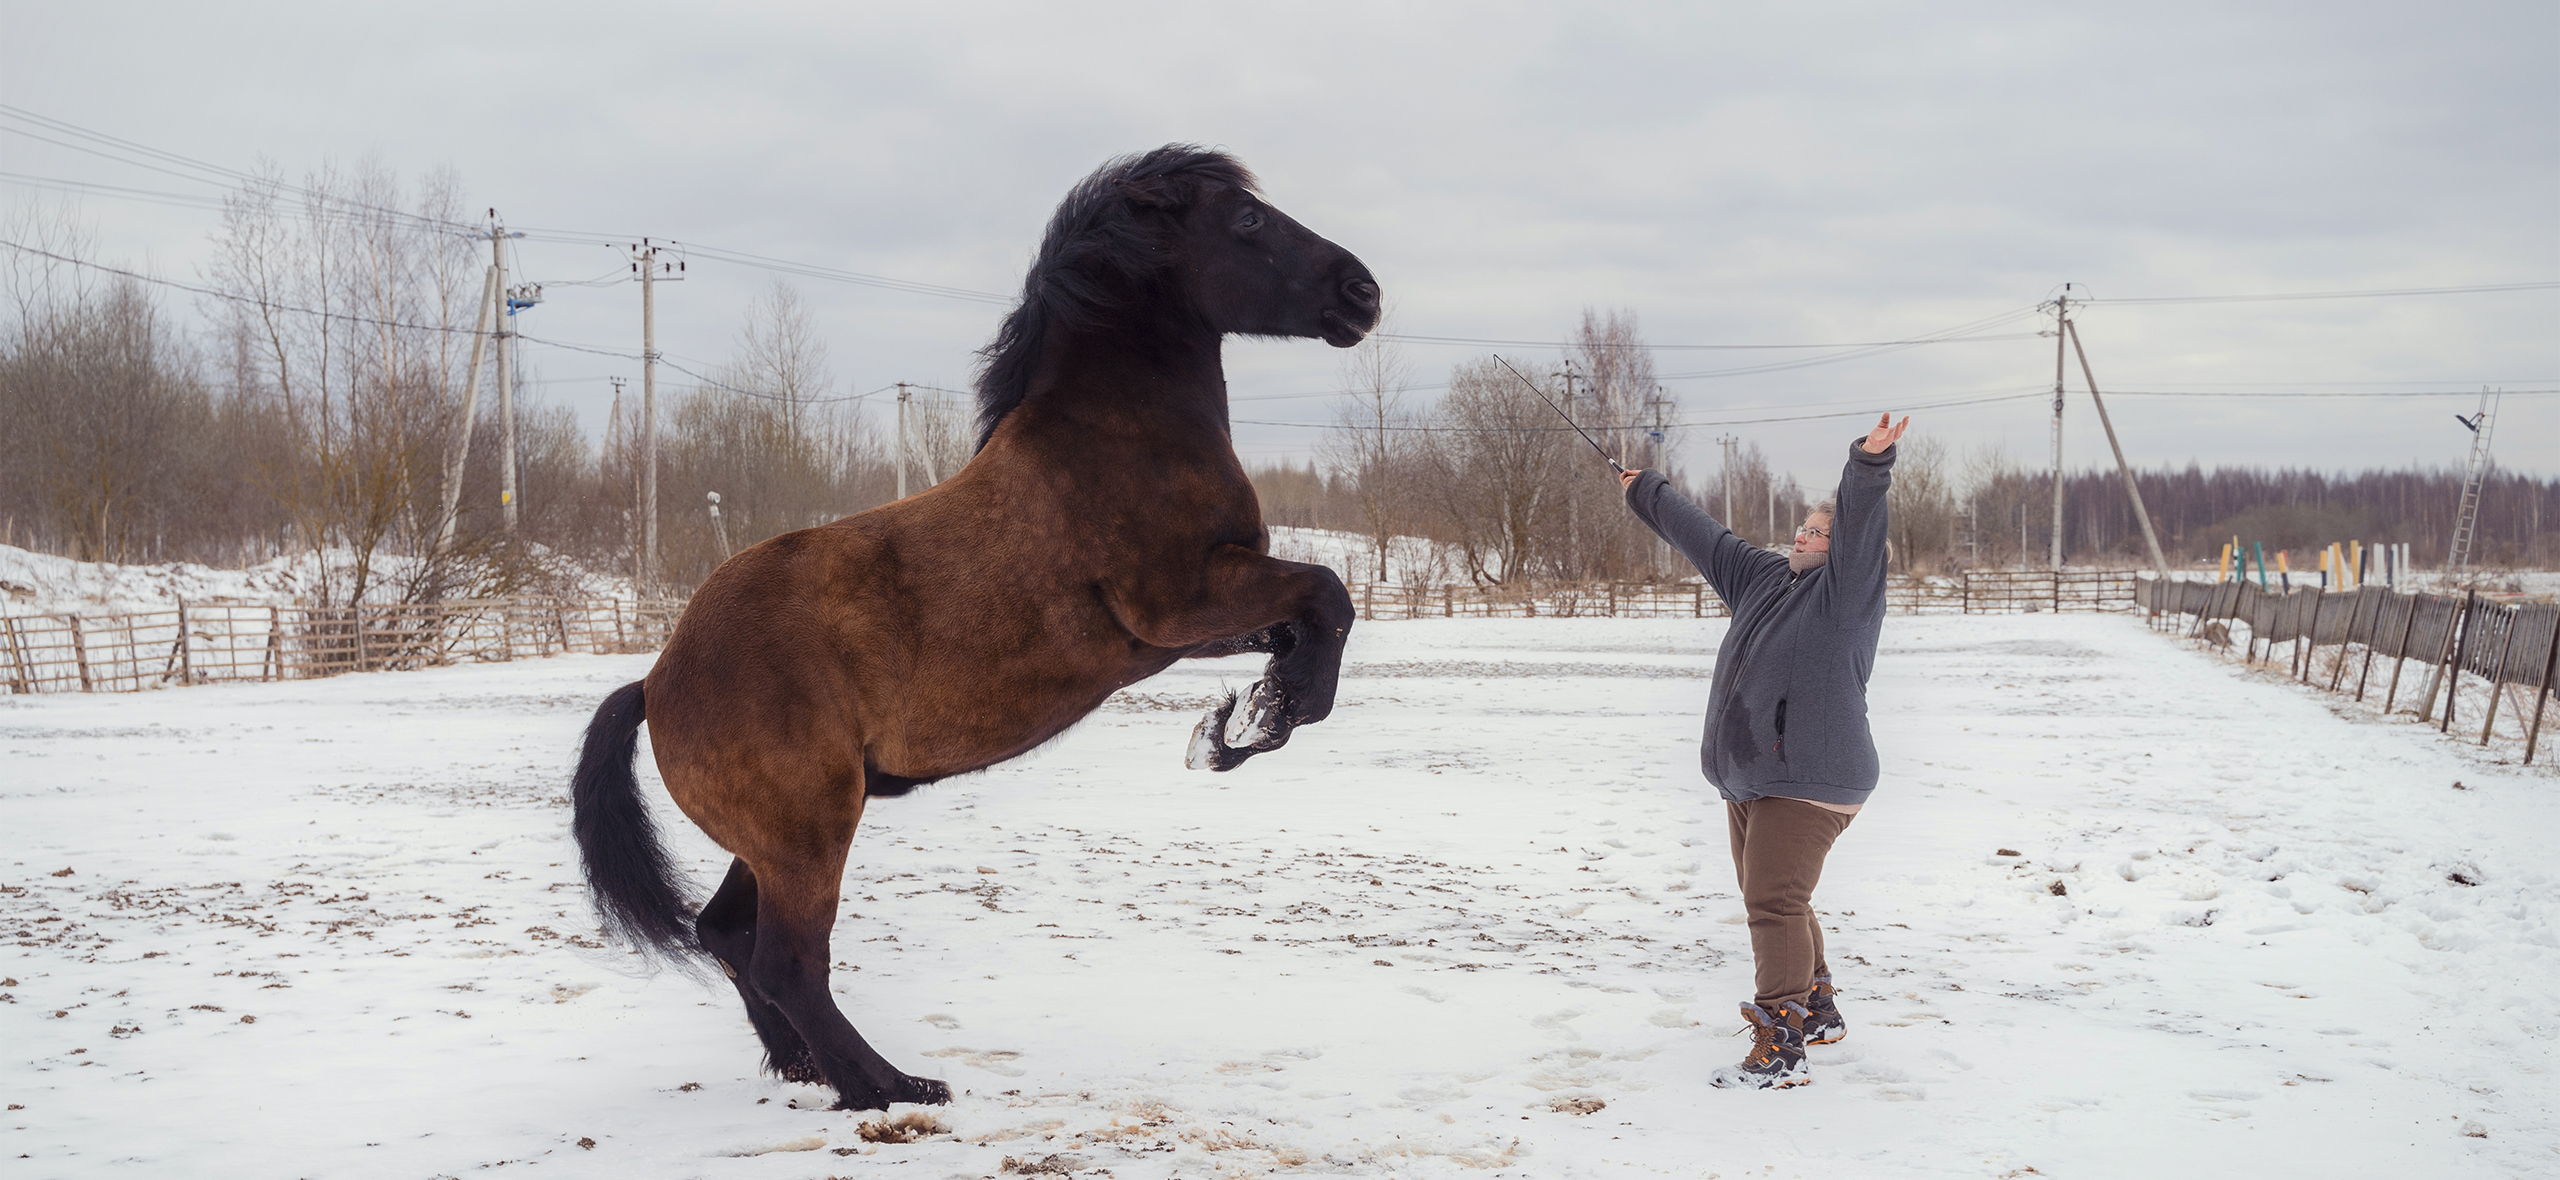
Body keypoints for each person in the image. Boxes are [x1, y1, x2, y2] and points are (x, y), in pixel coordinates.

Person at [1617, 412, 1908, 1090]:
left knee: (1772, 902)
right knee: (1779, 896)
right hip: (1753, 777)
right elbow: (1705, 538)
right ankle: (1819, 1009)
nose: (1805, 536)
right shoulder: (1761, 579)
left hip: (1812, 776)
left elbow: (1862, 527)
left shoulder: (1847, 597)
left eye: (1820, 531)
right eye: (1803, 527)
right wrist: (1645, 490)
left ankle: (1781, 1045)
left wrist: (1867, 466)